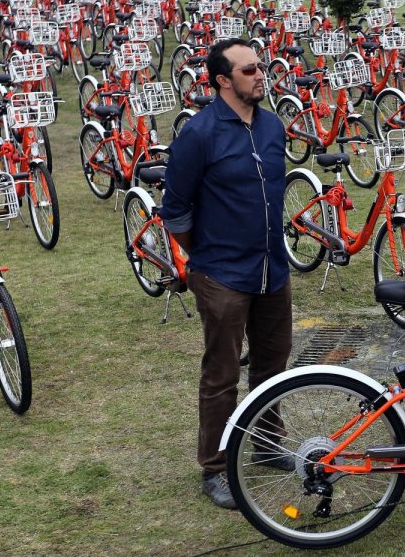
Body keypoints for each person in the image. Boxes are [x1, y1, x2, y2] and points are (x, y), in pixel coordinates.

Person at [159, 39, 293, 510]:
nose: (262, 74)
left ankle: (267, 443)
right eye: (250, 69)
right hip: (221, 274)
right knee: (221, 374)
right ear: (222, 81)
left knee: (273, 367)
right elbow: (174, 211)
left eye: (261, 66)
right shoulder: (199, 134)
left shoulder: (273, 126)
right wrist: (206, 259)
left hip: (272, 268)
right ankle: (215, 467)